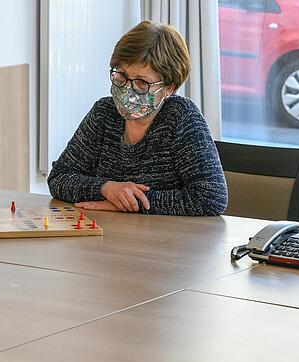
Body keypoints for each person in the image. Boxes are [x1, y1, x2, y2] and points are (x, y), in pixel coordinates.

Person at [47, 20, 228, 216]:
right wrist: (106, 188)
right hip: (106, 237)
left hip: (165, 241)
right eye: (121, 76)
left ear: (169, 88)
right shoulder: (104, 112)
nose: (127, 89)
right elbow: (59, 178)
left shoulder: (181, 117)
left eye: (142, 82)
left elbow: (211, 198)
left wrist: (130, 203)